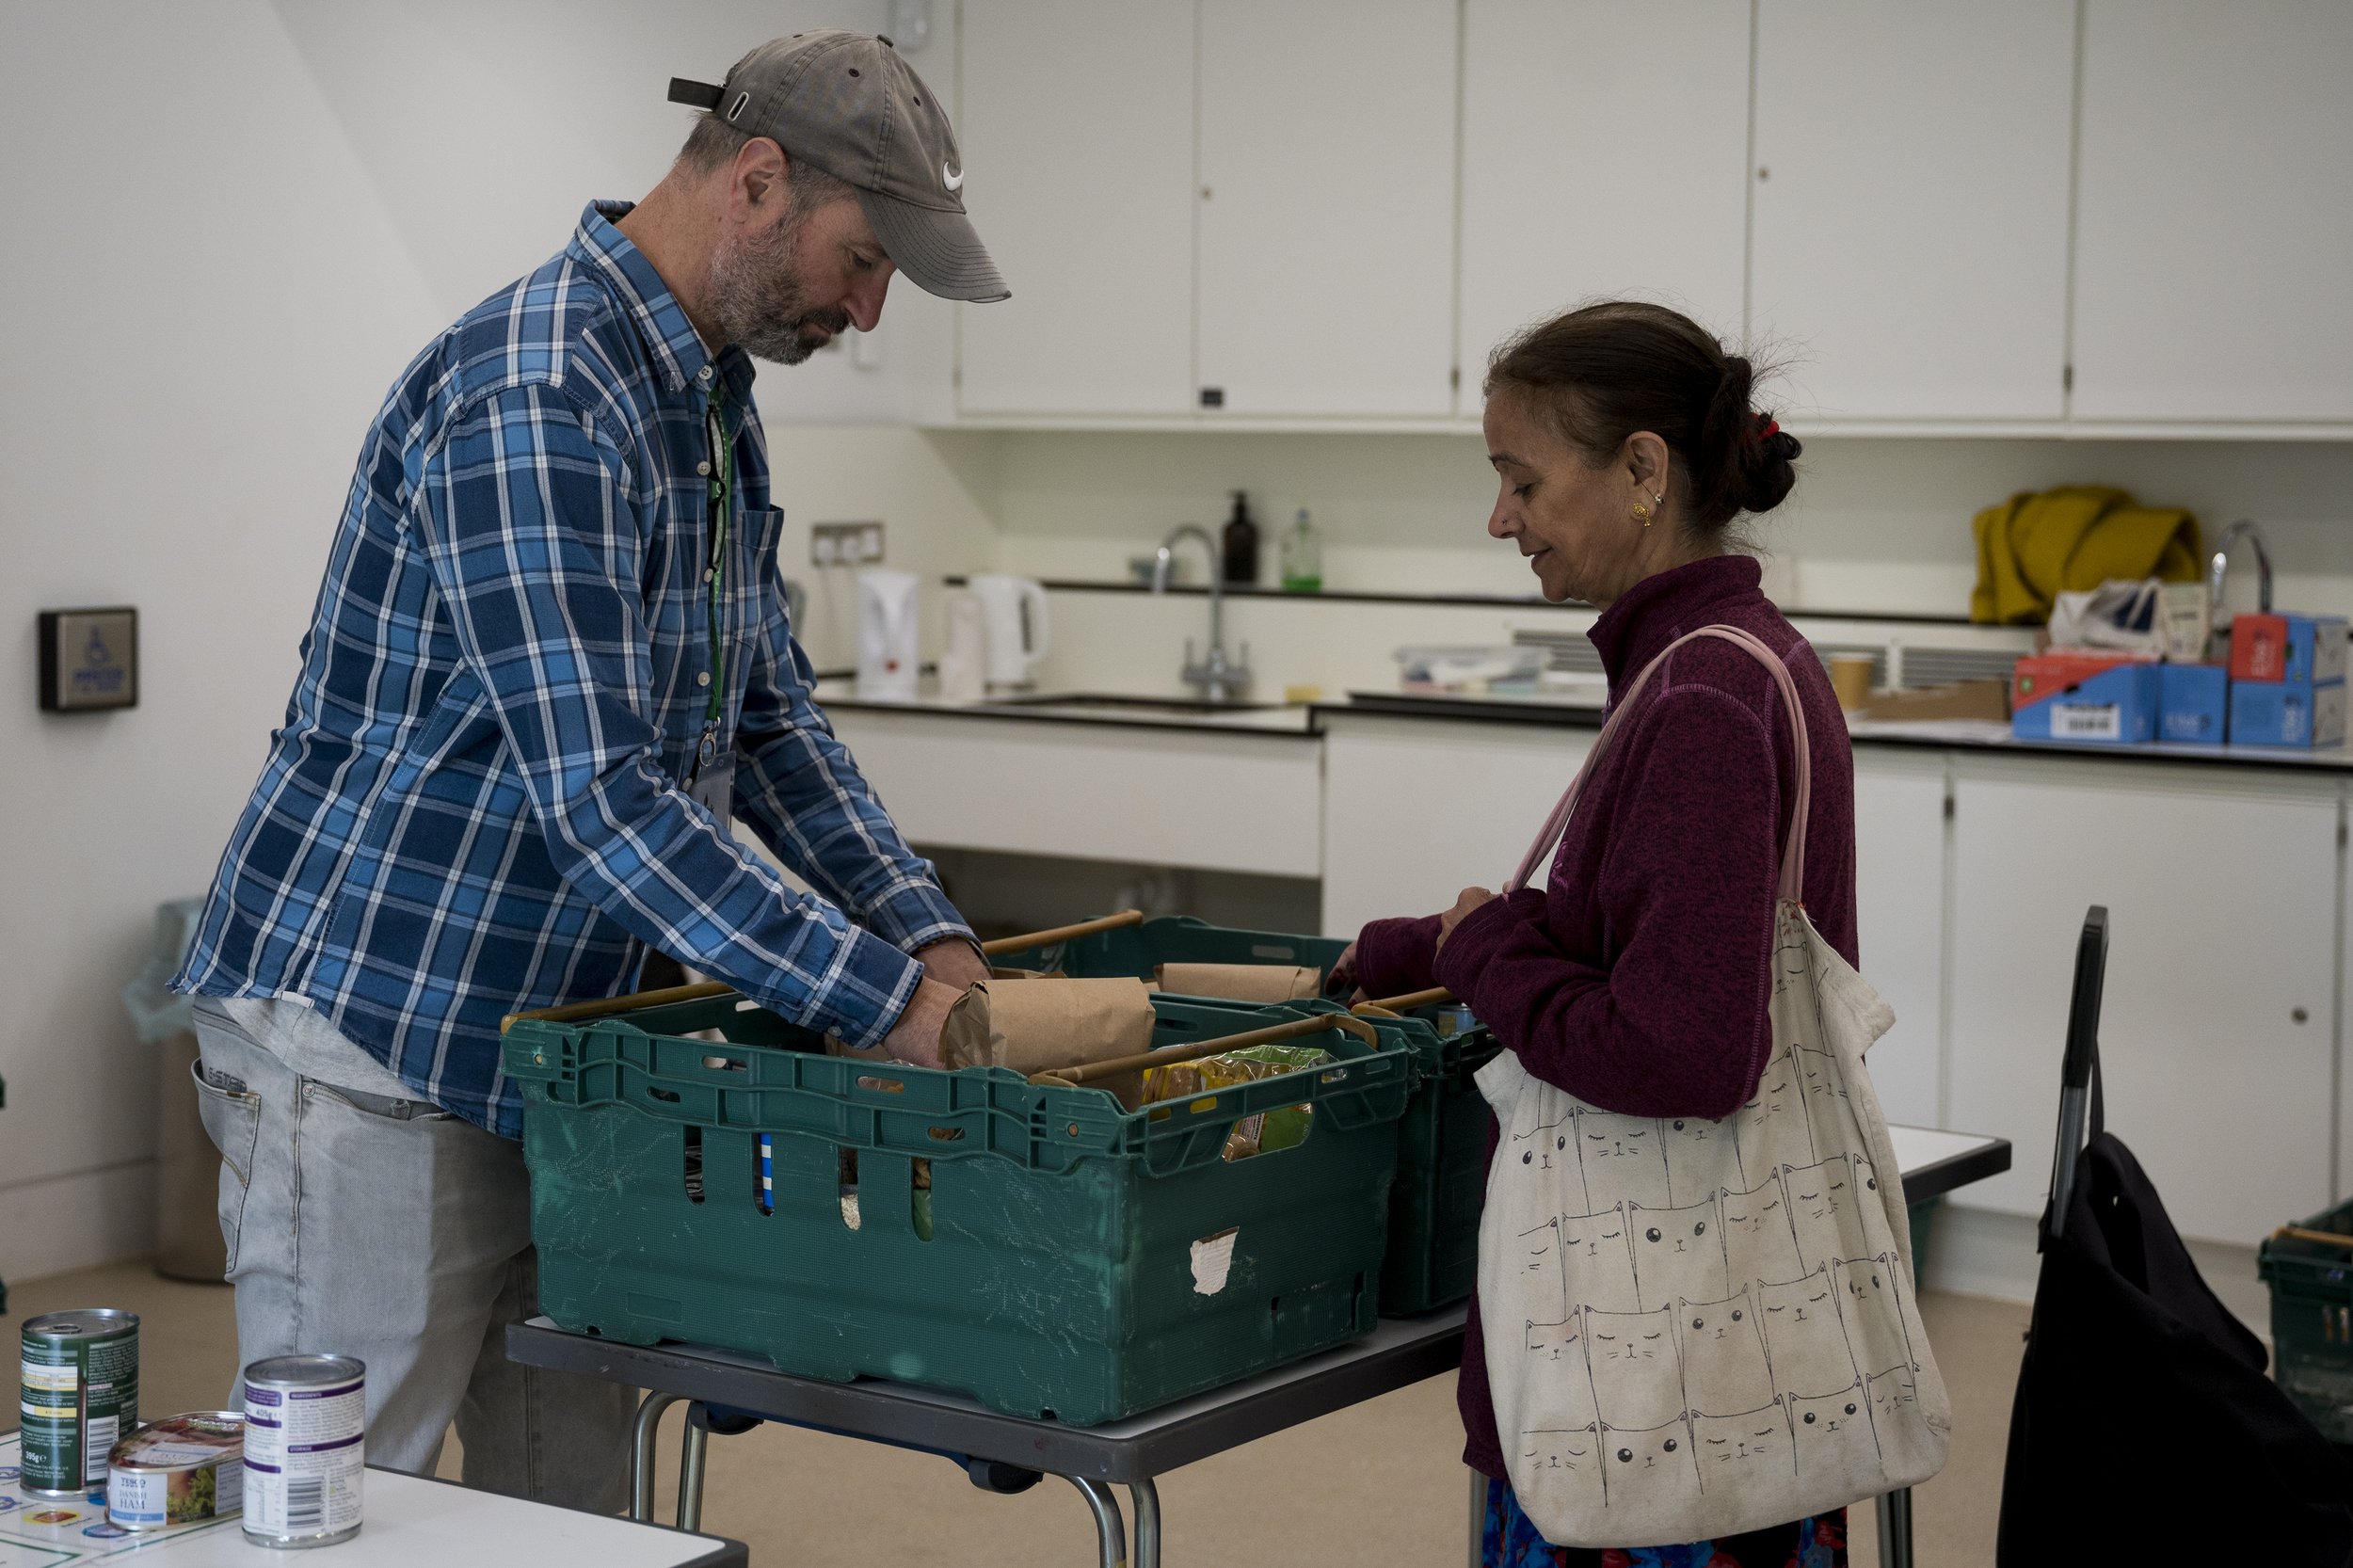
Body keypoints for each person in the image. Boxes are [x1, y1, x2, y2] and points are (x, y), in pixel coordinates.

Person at [170, 31, 1004, 1509]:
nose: (869, 311)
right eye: (865, 258)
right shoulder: (540, 393)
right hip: (377, 1049)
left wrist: (920, 926)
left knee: (575, 1515)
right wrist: (879, 999)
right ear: (757, 181)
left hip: (568, 1055)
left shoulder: (704, 402)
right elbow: (606, 800)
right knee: (342, 1506)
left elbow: (766, 721)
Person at [1338, 301, 1855, 1566]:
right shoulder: (1728, 660)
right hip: (1718, 1365)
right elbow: (1626, 935)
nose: (1500, 518)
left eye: (1522, 479)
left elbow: (1677, 1050)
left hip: (1658, 1385)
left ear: (1641, 470)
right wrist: (1435, 940)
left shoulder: (1700, 702)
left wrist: (1480, 955)